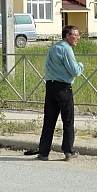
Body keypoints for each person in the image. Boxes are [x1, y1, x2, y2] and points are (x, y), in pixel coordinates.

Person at [33, 25, 85, 161]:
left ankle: (44, 152)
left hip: (50, 86)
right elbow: (75, 71)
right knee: (68, 120)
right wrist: (81, 65)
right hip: (63, 88)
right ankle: (69, 151)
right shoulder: (66, 49)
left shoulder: (54, 47)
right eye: (75, 34)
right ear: (67, 35)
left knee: (49, 120)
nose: (78, 37)